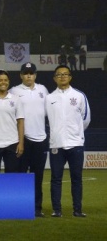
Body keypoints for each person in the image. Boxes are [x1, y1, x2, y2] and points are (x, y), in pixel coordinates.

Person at [46, 65, 91, 218]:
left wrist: (76, 134)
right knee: (56, 179)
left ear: (70, 77)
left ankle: (77, 210)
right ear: (54, 78)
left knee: (76, 179)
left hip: (76, 144)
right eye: (59, 74)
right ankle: (56, 210)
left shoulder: (79, 96)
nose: (62, 76)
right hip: (56, 145)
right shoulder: (49, 98)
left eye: (65, 74)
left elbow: (86, 119)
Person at [10, 62, 49, 217]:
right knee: (21, 175)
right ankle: (20, 206)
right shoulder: (14, 91)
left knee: (37, 175)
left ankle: (37, 208)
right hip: (23, 139)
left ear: (35, 75)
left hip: (40, 139)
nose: (28, 76)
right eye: (26, 73)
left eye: (31, 73)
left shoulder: (43, 90)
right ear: (21, 75)